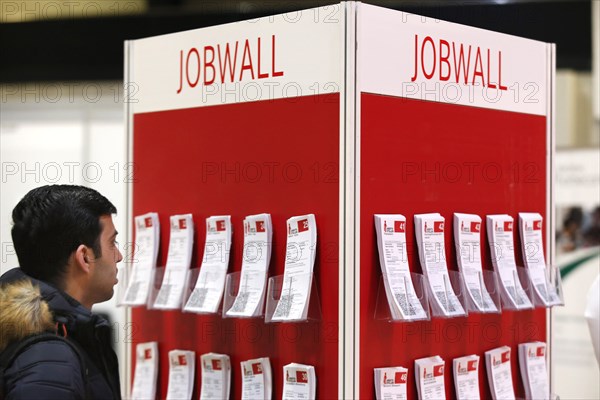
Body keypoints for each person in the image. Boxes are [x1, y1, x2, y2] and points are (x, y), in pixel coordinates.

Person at [0, 185, 123, 399]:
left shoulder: (57, 336)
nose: (119, 256)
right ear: (85, 257)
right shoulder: (49, 359)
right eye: (112, 242)